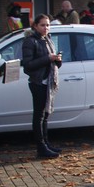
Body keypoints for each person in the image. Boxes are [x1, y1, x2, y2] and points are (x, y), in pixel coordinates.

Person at [20, 14, 62, 159]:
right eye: (43, 25)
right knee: (39, 115)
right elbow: (28, 65)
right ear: (35, 26)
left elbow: (54, 64)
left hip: (48, 81)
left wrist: (57, 60)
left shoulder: (48, 39)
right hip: (37, 82)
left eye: (48, 25)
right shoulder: (30, 41)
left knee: (45, 115)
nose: (46, 28)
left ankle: (46, 143)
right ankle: (41, 147)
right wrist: (48, 58)